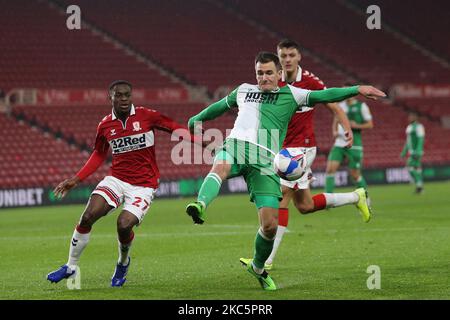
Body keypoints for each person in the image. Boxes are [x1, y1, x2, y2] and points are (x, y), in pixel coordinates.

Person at [185, 52, 386, 291]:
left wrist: (357, 89)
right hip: (236, 146)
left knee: (270, 224)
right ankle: (200, 205)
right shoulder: (243, 90)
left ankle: (258, 267)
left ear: (279, 74)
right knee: (220, 166)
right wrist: (195, 120)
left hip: (265, 161)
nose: (264, 77)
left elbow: (325, 95)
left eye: (269, 72)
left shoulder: (292, 94)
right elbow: (216, 108)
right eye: (260, 73)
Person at [47, 80, 202, 287]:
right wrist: (76, 179)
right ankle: (70, 266)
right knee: (87, 216)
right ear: (109, 97)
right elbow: (99, 154)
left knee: (123, 225)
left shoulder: (147, 116)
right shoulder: (105, 125)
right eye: (118, 95)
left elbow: (174, 127)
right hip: (117, 180)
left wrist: (201, 141)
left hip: (144, 185)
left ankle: (122, 262)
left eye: (127, 95)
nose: (123, 99)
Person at [241, 39, 372, 271]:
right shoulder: (274, 79)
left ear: (299, 57)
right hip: (280, 147)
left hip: (301, 148)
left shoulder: (311, 81)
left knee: (281, 196)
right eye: (283, 56)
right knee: (305, 205)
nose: (287, 59)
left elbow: (333, 104)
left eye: (291, 55)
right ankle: (356, 196)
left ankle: (266, 260)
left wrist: (347, 128)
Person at [325, 90, 374, 194]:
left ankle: (365, 197)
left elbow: (370, 124)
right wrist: (334, 130)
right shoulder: (340, 105)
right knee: (330, 169)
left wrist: (356, 125)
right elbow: (336, 119)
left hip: (354, 144)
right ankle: (328, 198)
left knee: (355, 174)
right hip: (339, 143)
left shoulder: (362, 106)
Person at [401, 111, 425, 193]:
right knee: (417, 168)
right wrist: (404, 151)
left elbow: (421, 139)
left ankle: (419, 185)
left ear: (415, 117)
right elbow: (408, 141)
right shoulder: (409, 127)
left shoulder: (419, 127)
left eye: (411, 116)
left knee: (409, 167)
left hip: (416, 152)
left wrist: (418, 150)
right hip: (412, 151)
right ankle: (420, 187)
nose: (409, 118)